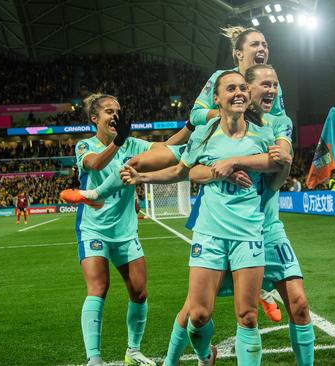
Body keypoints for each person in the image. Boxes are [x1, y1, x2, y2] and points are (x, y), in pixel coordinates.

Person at [121, 71, 282, 366]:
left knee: (247, 315)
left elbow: (277, 161)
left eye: (243, 88)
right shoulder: (204, 133)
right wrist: (141, 176)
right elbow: (180, 171)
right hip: (209, 232)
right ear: (216, 99)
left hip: (248, 232)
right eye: (230, 89)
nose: (239, 93)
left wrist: (235, 162)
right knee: (197, 314)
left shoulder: (263, 133)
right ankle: (206, 355)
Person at [174, 65, 314, 366]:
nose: (272, 90)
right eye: (265, 83)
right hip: (218, 227)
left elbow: (278, 170)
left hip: (263, 227)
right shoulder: (213, 128)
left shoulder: (276, 125)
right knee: (196, 314)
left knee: (280, 308)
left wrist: (256, 162)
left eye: (276, 84)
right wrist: (217, 169)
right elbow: (188, 167)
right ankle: (200, 355)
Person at [68, 93, 158, 366]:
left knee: (140, 292)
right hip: (93, 228)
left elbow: (165, 148)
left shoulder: (132, 143)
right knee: (98, 287)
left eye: (118, 111)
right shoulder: (85, 146)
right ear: (95, 118)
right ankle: (93, 359)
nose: (115, 116)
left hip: (126, 231)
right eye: (109, 111)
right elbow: (96, 163)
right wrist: (119, 143)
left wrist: (191, 127)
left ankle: (133, 351)